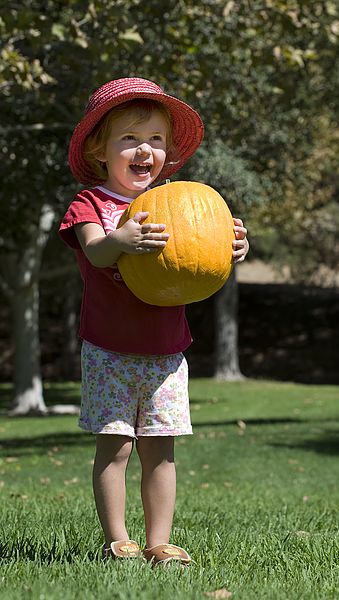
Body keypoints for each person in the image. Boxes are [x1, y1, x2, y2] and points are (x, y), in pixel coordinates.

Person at [59, 77, 249, 566]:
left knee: (160, 451)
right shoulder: (91, 205)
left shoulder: (180, 204)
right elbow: (97, 253)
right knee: (117, 448)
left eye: (156, 140)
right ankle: (117, 539)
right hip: (108, 348)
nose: (144, 150)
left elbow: (198, 255)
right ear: (100, 149)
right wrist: (121, 239)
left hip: (166, 352)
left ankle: (159, 541)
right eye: (129, 138)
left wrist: (232, 249)